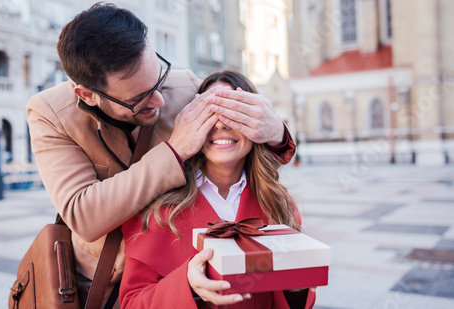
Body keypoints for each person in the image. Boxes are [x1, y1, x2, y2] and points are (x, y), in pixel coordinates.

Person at [27, 3, 296, 308]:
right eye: (139, 98)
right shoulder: (49, 113)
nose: (159, 99)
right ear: (87, 94)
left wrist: (277, 132)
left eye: (158, 79)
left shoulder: (184, 86)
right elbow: (83, 216)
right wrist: (176, 150)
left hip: (173, 269)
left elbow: (242, 141)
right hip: (100, 282)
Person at [119, 70, 316, 309]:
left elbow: (294, 300)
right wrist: (186, 286)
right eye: (210, 112)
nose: (221, 123)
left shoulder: (279, 203)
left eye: (235, 112)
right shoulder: (158, 209)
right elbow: (132, 303)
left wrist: (296, 287)